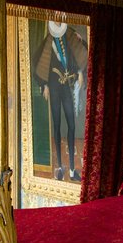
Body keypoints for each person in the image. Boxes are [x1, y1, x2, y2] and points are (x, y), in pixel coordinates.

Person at [32, 20, 88, 181]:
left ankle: (71, 170)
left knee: (71, 125)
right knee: (56, 126)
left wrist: (80, 72)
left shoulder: (68, 35)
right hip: (54, 88)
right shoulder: (48, 40)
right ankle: (60, 168)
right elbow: (38, 61)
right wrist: (44, 85)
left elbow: (78, 53)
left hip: (66, 87)